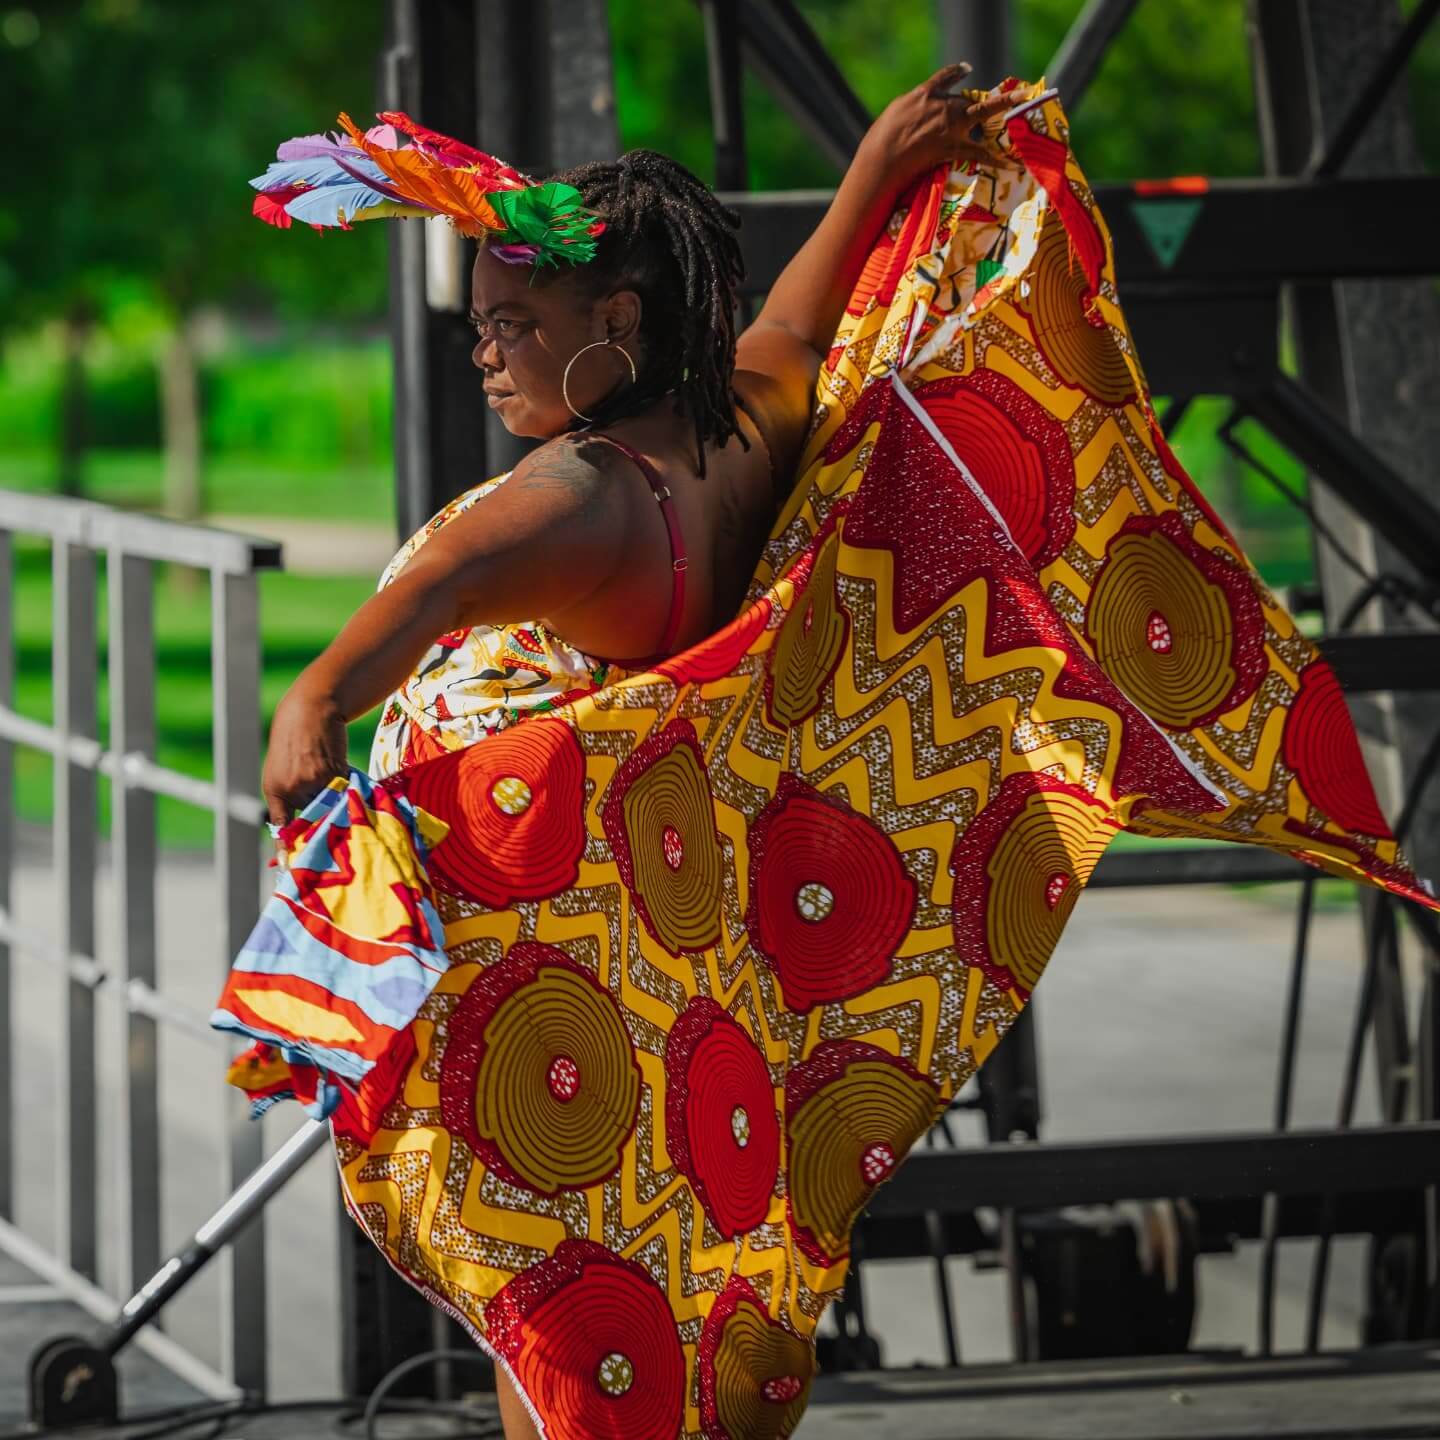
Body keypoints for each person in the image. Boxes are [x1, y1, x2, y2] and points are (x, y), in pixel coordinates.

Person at [259, 65, 1013, 848]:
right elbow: (793, 328)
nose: (482, 353)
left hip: (506, 929)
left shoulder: (586, 489)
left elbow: (442, 585)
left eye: (510, 325)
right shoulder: (742, 424)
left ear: (617, 320)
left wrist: (315, 698)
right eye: (481, 323)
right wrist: (878, 164)